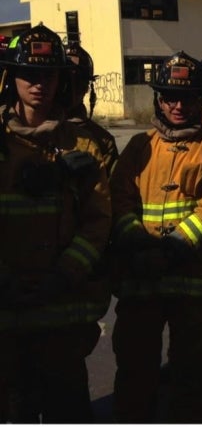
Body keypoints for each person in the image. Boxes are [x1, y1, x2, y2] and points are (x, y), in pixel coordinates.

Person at [108, 51, 202, 422]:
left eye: (187, 97)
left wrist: (173, 248)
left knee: (192, 375)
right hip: (141, 281)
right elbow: (118, 199)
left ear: (201, 100)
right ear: (159, 99)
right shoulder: (139, 147)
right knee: (135, 373)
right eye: (169, 96)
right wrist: (135, 240)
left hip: (194, 284)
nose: (178, 104)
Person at [0, 24, 112, 422]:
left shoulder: (84, 146)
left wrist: (65, 274)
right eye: (29, 74)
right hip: (7, 310)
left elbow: (98, 221)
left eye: (48, 75)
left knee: (68, 407)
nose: (39, 84)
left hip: (63, 310)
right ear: (10, 77)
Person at [65, 40, 119, 176]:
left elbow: (110, 192)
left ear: (87, 88)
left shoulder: (102, 141)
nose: (71, 89)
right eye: (65, 81)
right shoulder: (31, 128)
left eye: (78, 82)